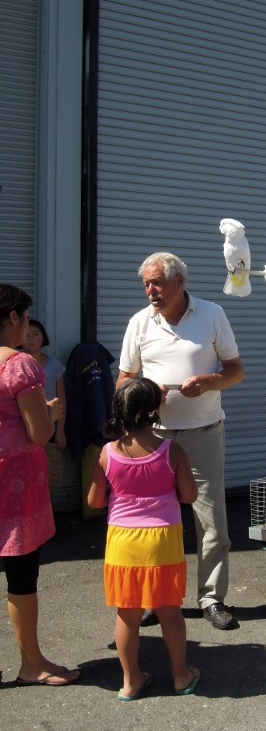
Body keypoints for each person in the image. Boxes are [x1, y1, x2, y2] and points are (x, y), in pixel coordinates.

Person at [117, 252, 244, 630]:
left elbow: (236, 371)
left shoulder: (212, 314)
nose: (150, 291)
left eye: (156, 283)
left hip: (204, 433)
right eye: (146, 284)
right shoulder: (140, 322)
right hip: (153, 438)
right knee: (153, 524)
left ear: (180, 282)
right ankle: (156, 598)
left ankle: (212, 598)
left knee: (212, 524)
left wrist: (210, 382)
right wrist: (145, 389)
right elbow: (123, 381)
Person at [87, 377, 199, 699]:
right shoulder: (172, 450)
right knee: (169, 611)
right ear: (154, 411)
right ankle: (180, 676)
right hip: (162, 541)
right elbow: (189, 495)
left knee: (128, 614)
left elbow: (94, 501)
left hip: (122, 542)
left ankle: (130, 681)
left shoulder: (107, 453)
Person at [0, 284, 79, 686]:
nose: (28, 325)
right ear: (13, 317)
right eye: (27, 317)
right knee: (20, 577)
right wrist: (50, 413)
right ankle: (31, 663)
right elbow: (38, 433)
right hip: (15, 486)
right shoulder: (20, 366)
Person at [22, 319, 67, 450]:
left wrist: (60, 431)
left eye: (35, 334)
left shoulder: (54, 365)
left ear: (43, 338)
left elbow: (61, 399)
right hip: (23, 425)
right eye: (26, 335)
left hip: (49, 424)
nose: (31, 338)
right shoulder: (16, 364)